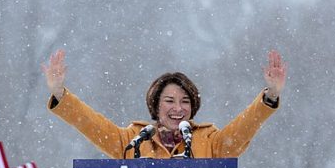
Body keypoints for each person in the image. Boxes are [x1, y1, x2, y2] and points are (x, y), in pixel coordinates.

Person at [41, 49, 287, 159]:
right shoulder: (133, 141)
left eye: (185, 101)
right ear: (156, 106)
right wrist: (60, 94)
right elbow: (91, 124)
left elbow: (244, 128)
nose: (178, 108)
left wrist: (271, 96)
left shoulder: (210, 143)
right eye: (169, 101)